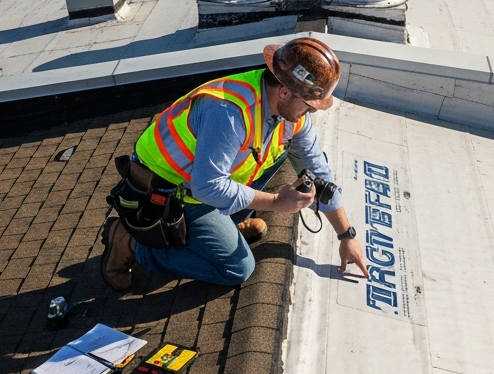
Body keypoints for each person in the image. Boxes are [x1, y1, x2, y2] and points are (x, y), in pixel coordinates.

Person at [101, 36, 367, 290]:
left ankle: (228, 222)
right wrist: (275, 202)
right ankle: (133, 246)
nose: (310, 111)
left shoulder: (290, 115)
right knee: (237, 269)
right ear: (285, 92)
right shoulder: (229, 112)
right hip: (173, 190)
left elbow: (318, 172)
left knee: (290, 152)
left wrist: (347, 236)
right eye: (309, 105)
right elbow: (208, 188)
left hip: (206, 181)